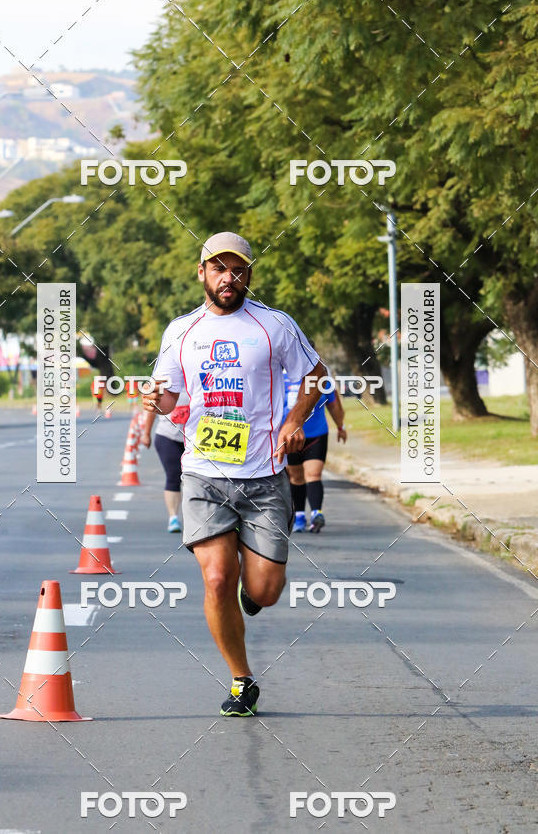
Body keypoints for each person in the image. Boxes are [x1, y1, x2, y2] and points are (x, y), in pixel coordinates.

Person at [144, 231, 327, 717]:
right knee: (218, 579)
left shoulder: (274, 326)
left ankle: (254, 590)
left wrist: (294, 421)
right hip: (204, 474)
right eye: (220, 268)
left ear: (249, 275)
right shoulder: (181, 332)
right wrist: (156, 399)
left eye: (239, 269)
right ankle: (241, 680)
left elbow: (315, 375)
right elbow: (170, 398)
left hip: (265, 476)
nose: (230, 277)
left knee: (263, 590)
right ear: (201, 272)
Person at [283, 371, 347, 533]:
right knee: (296, 477)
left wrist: (341, 427)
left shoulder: (322, 378)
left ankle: (316, 513)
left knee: (313, 474)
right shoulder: (281, 377)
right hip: (290, 436)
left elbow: (334, 406)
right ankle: (299, 516)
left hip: (316, 434)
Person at [141, 386, 189, 533]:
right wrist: (146, 433)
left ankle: (192, 518)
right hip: (168, 436)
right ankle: (173, 518)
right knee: (174, 476)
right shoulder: (165, 383)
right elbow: (152, 409)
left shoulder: (198, 379)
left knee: (195, 479)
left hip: (195, 440)